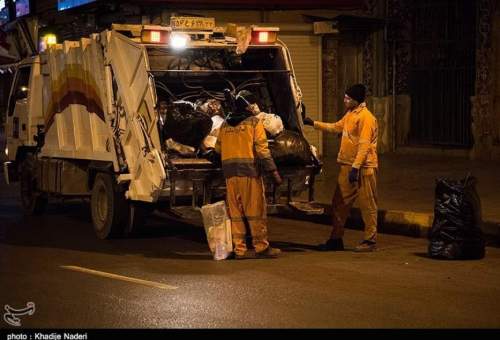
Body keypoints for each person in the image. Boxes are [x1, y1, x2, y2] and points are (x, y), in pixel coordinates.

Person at [303, 84, 379, 252]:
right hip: (347, 166)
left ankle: (370, 241)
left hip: (363, 168)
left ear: (356, 100)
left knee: (368, 205)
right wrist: (312, 123)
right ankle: (336, 239)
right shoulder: (350, 114)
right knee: (339, 203)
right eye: (345, 97)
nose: (344, 100)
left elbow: (364, 145)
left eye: (347, 98)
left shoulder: (366, 118)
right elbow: (336, 127)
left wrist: (356, 167)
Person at [215, 89, 283, 259]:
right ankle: (261, 247)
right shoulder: (253, 123)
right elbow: (262, 149)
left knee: (235, 213)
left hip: (230, 175)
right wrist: (273, 171)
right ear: (247, 107)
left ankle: (239, 249)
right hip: (249, 173)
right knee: (255, 211)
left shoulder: (224, 125)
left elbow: (217, 149)